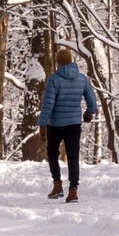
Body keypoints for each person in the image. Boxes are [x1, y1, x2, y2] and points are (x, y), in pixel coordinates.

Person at [38, 47, 98, 202]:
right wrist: (89, 112)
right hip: (74, 124)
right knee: (73, 157)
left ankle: (57, 185)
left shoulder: (54, 80)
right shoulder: (82, 79)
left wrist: (42, 124)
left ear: (58, 62)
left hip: (55, 125)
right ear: (71, 61)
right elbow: (92, 99)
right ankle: (73, 191)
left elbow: (48, 105)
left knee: (52, 154)